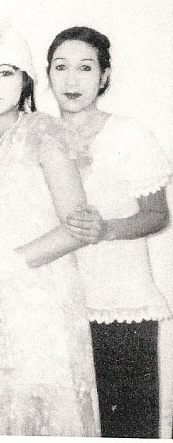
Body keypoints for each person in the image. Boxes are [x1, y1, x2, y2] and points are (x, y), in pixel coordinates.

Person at [0, 22, 100, 436]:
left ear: (26, 79)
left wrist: (8, 264)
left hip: (43, 308)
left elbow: (80, 227)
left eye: (5, 72)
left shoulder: (43, 133)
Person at [47, 26, 172, 438]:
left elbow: (157, 215)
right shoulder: (38, 138)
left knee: (128, 429)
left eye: (85, 68)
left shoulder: (129, 133)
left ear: (104, 76)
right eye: (61, 67)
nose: (71, 79)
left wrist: (105, 230)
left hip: (122, 304)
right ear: (47, 74)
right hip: (57, 310)